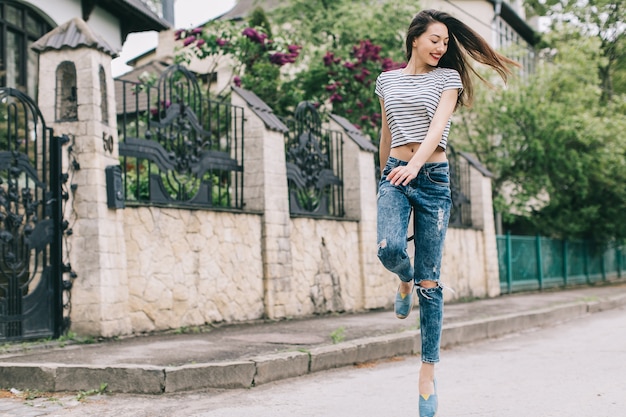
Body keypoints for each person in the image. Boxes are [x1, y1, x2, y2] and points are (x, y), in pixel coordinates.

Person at [375, 9, 518, 417]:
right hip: (395, 174)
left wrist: (415, 166)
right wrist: (384, 178)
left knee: (430, 281)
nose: (441, 47)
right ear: (415, 38)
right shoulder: (387, 80)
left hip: (433, 178)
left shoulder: (448, 79)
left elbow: (437, 129)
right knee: (388, 249)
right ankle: (402, 280)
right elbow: (386, 130)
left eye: (445, 42)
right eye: (434, 39)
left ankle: (426, 374)